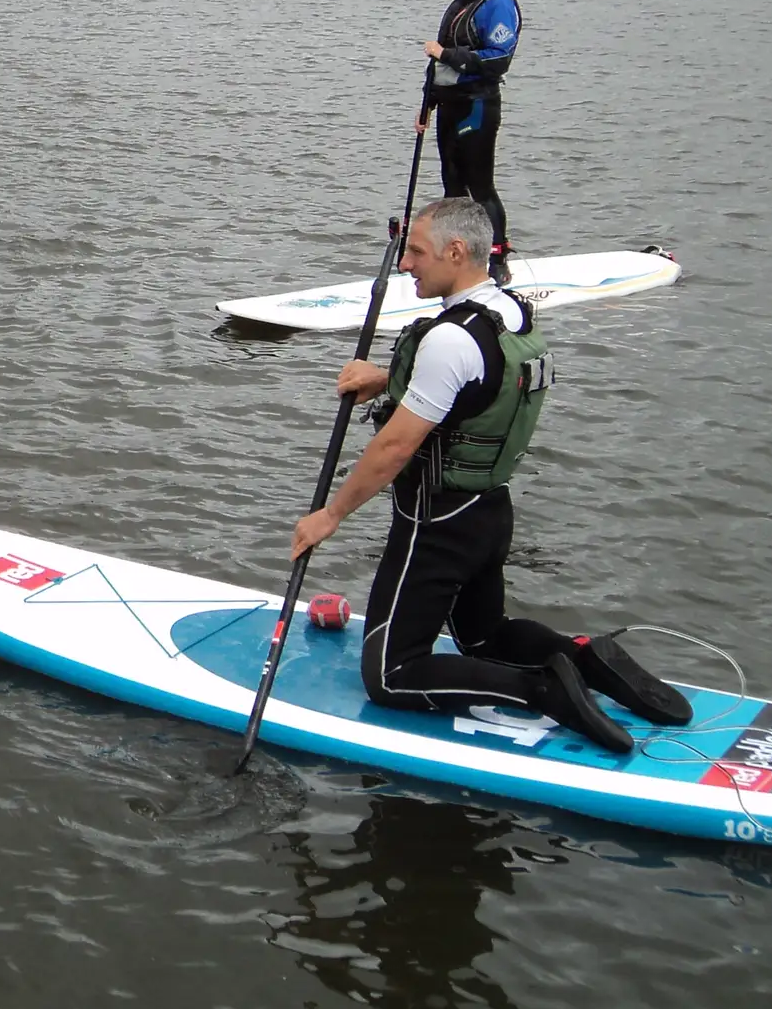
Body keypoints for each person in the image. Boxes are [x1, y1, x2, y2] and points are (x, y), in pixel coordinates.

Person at [289, 197, 690, 753]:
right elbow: (479, 385)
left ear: (457, 251)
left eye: (417, 251)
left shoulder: (449, 338)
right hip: (487, 512)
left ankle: (540, 689)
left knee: (390, 675)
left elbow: (396, 446)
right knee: (481, 636)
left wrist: (330, 516)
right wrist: (387, 379)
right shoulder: (510, 311)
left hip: (436, 526)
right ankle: (586, 660)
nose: (406, 264)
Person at [416, 0, 520, 281]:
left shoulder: (498, 4)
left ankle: (498, 260)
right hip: (449, 106)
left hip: (477, 106)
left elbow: (498, 60)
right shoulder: (460, 4)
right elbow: (439, 65)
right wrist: (427, 103)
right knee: (453, 188)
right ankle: (460, 262)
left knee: (479, 187)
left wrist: (447, 54)